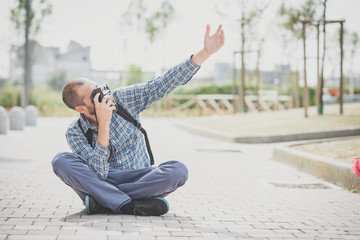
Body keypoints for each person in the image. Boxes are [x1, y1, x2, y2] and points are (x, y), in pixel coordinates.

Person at [52, 24, 225, 216]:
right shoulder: (75, 131)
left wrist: (205, 53)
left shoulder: (123, 100)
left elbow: (164, 83)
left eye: (100, 87)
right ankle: (130, 205)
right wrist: (105, 125)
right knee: (61, 161)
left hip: (139, 177)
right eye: (95, 94)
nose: (103, 93)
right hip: (103, 177)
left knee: (178, 170)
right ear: (81, 109)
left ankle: (104, 201)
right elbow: (98, 173)